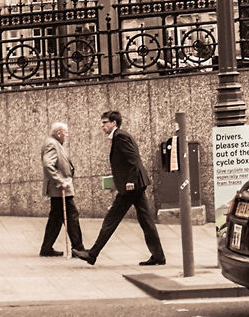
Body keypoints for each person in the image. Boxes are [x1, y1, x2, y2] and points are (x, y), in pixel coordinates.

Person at [76, 111, 165, 267]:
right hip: (135, 184)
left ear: (114, 123)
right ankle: (158, 256)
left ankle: (92, 254)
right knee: (146, 220)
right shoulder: (119, 136)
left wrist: (130, 181)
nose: (102, 126)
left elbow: (134, 159)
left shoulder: (120, 136)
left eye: (105, 123)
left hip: (132, 186)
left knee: (112, 219)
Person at [40, 122, 86, 257]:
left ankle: (46, 248)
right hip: (60, 189)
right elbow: (48, 164)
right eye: (65, 133)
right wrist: (60, 181)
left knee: (55, 218)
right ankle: (78, 248)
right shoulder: (52, 144)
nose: (67, 135)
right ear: (59, 133)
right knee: (72, 216)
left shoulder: (54, 143)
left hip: (59, 189)